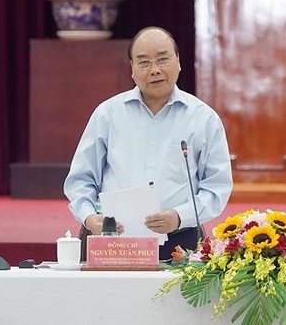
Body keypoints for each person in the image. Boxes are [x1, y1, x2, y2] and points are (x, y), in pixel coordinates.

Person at [63, 26, 233, 260]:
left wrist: (179, 216)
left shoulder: (204, 118)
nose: (154, 70)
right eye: (143, 62)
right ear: (132, 68)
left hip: (179, 240)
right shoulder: (108, 114)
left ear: (178, 61)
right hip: (113, 240)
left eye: (163, 59)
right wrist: (90, 217)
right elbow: (80, 180)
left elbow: (217, 187)